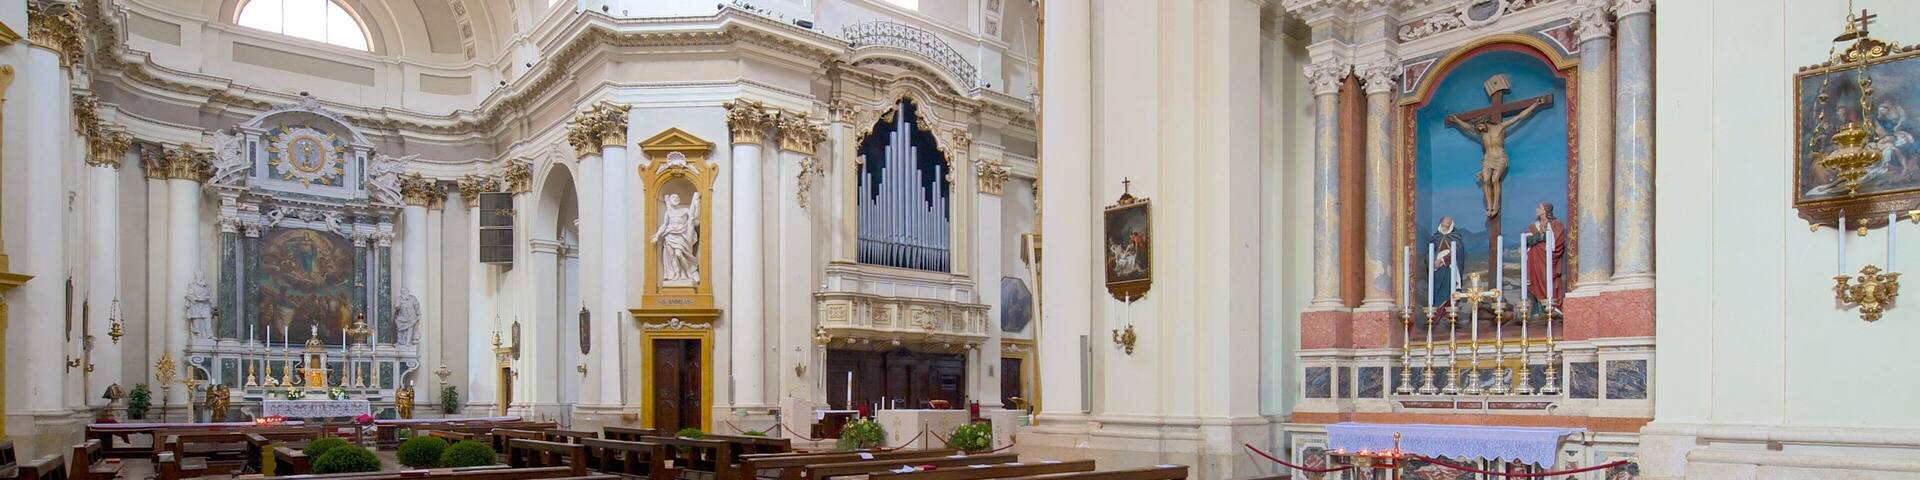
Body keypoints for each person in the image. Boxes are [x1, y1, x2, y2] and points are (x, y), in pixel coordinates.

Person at [1525, 202, 1567, 317]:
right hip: (1535, 260)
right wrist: (1540, 237)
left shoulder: (1556, 224)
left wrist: (1538, 239)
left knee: (1549, 282)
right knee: (1536, 282)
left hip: (1548, 260)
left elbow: (1557, 242)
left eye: (1539, 207)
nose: (1536, 209)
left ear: (1545, 210)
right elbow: (1526, 240)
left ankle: (1553, 307)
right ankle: (1538, 311)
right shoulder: (1533, 226)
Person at [1428, 216, 1463, 321]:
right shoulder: (1434, 238)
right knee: (1437, 292)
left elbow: (1457, 253)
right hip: (1437, 270)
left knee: (1449, 290)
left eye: (1450, 220)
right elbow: (1428, 253)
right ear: (1441, 222)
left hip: (1450, 268)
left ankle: (1447, 316)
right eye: (1446, 219)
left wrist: (1443, 260)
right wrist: (1434, 261)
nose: (1448, 221)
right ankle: (1437, 316)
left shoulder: (1455, 237)